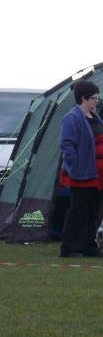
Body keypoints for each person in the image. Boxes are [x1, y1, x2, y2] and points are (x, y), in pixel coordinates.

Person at [59, 79, 103, 257]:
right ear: (83, 98)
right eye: (94, 98)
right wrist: (75, 166)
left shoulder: (96, 116)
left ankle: (88, 245)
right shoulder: (72, 118)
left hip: (96, 173)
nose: (97, 101)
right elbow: (67, 145)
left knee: (93, 211)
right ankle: (70, 247)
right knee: (78, 211)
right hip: (81, 173)